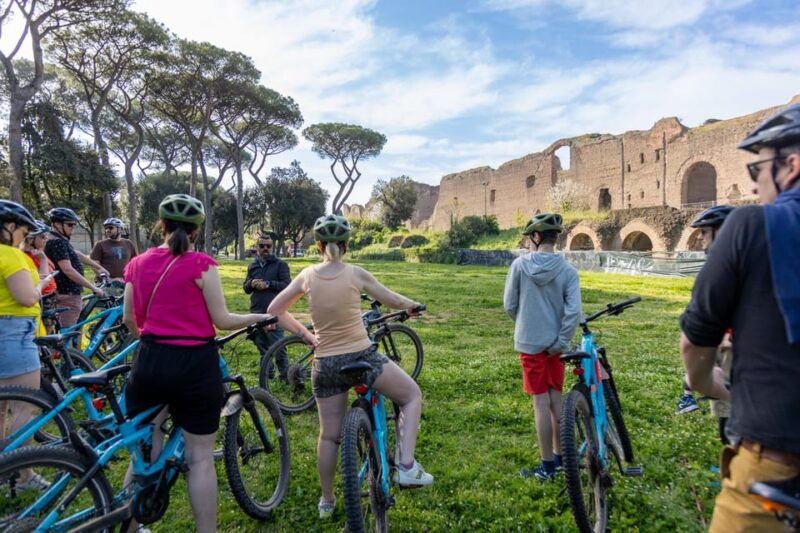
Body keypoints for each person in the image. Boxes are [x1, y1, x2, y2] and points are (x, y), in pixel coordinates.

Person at [680, 103, 800, 532]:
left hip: (778, 467)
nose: (753, 189)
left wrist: (702, 382)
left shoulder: (751, 225)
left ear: (792, 164)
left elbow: (696, 338)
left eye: (756, 172)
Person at [122, 194, 273, 533]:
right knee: (200, 458)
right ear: (196, 230)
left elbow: (129, 318)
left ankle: (129, 527)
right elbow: (221, 319)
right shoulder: (202, 264)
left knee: (144, 449)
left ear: (161, 225)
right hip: (195, 364)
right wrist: (260, 316)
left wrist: (151, 342)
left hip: (149, 360)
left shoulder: (137, 263)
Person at [268, 214, 433, 520]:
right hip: (362, 357)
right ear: (346, 244)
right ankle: (407, 467)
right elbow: (391, 299)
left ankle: (327, 501)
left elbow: (274, 310)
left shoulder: (306, 275)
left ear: (317, 245)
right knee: (411, 396)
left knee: (329, 435)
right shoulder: (356, 273)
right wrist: (412, 305)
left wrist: (307, 336)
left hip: (326, 363)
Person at [503, 213, 582, 482]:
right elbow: (573, 312)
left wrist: (526, 324)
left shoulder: (518, 266)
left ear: (536, 237)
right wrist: (560, 341)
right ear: (554, 238)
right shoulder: (569, 271)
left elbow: (509, 305)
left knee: (540, 403)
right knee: (556, 399)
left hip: (530, 342)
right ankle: (562, 457)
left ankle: (547, 466)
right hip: (556, 346)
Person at [0, 200, 56, 490]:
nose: (25, 236)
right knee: (25, 408)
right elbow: (27, 297)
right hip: (13, 333)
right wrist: (39, 284)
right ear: (9, 227)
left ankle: (4, 470)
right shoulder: (9, 255)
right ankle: (23, 475)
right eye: (22, 230)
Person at [675, 205, 734, 419]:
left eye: (704, 232)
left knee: (732, 421)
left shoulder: (724, 268)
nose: (700, 238)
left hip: (734, 352)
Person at [44, 207, 107, 328]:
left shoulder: (59, 240)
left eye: (74, 225)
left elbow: (76, 253)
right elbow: (68, 270)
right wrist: (93, 287)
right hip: (67, 294)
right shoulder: (57, 241)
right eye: (69, 224)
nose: (72, 228)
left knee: (75, 329)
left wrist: (98, 267)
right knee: (68, 333)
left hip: (68, 293)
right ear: (57, 223)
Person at [243, 233, 291, 380]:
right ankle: (268, 376)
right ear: (257, 247)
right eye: (262, 246)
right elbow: (246, 288)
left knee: (278, 347)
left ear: (272, 247)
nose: (265, 248)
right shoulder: (253, 265)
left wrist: (268, 284)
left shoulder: (280, 265)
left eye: (268, 246)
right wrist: (251, 283)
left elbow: (287, 286)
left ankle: (285, 377)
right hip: (256, 312)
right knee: (262, 346)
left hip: (274, 313)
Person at [90, 217, 137, 282]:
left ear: (120, 229)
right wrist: (109, 280)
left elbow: (134, 263)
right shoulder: (100, 245)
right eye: (106, 228)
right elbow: (94, 265)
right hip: (106, 284)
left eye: (110, 227)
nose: (107, 230)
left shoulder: (129, 243)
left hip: (124, 282)